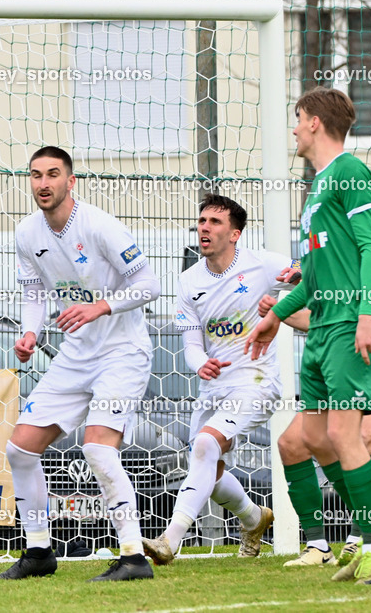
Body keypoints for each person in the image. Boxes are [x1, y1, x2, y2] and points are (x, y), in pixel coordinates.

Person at [245, 87, 371, 585]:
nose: (293, 128)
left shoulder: (351, 173)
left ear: (314, 124)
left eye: (298, 118)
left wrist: (369, 314)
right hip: (321, 330)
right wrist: (275, 316)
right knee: (312, 436)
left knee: (344, 435)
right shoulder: (319, 185)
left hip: (349, 324)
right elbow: (312, 272)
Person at [0, 146, 161, 582]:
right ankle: (38, 551)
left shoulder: (100, 225)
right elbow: (34, 293)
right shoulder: (26, 233)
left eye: (53, 174)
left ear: (71, 182)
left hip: (122, 352)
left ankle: (133, 558)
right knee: (20, 449)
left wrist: (100, 307)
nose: (43, 183)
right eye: (36, 175)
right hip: (75, 353)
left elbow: (149, 284)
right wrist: (31, 333)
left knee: (97, 447)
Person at [141, 194, 292, 566]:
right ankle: (255, 519)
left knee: (206, 445)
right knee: (209, 466)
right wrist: (200, 364)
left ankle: (169, 541)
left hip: (256, 379)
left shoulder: (263, 265)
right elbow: (191, 342)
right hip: (214, 386)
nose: (204, 227)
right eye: (202, 220)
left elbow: (309, 277)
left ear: (236, 233)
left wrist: (284, 306)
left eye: (215, 222)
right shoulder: (189, 280)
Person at [262, 176, 371, 570]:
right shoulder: (333, 257)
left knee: (361, 433)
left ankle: (365, 536)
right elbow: (318, 318)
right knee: (294, 442)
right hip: (349, 363)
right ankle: (319, 546)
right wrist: (278, 311)